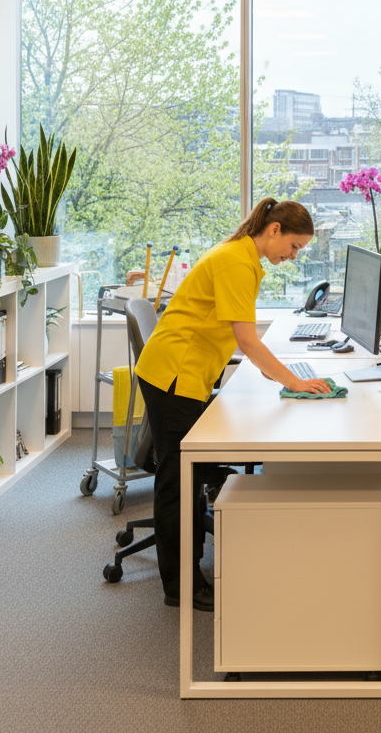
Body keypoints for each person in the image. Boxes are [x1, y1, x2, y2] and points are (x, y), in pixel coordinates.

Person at [134, 198, 332, 611]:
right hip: (174, 374)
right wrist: (291, 379)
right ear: (274, 229)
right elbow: (246, 338)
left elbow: (233, 330)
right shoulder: (237, 262)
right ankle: (182, 587)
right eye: (294, 246)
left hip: (184, 371)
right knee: (178, 479)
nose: (293, 257)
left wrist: (273, 371)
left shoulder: (242, 256)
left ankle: (191, 568)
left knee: (183, 472)